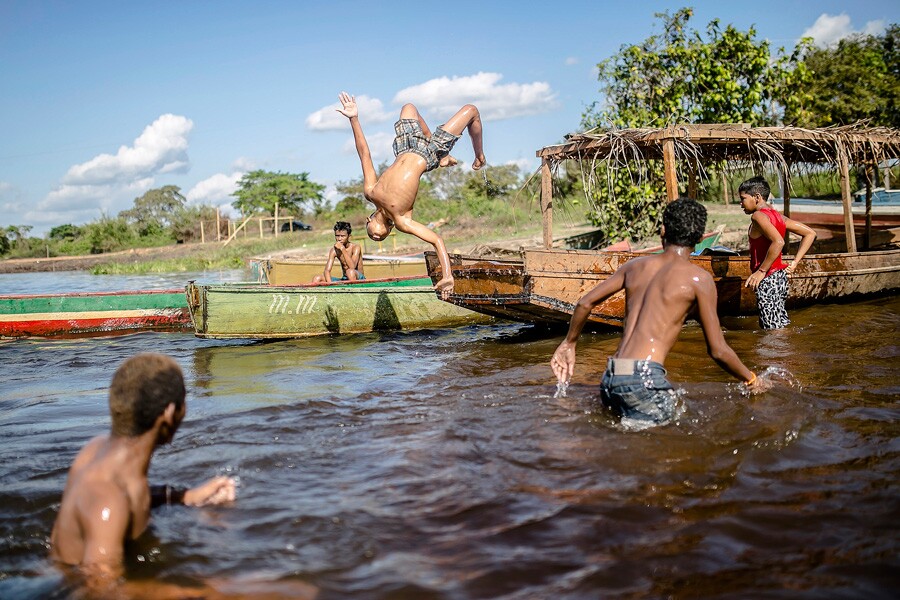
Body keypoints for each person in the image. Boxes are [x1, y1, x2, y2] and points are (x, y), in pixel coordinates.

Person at [551, 198, 768, 425]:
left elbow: (585, 303)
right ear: (699, 238)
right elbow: (718, 350)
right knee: (662, 450)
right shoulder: (699, 279)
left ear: (663, 230)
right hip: (644, 378)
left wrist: (569, 343)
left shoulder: (633, 266)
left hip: (612, 374)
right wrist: (752, 379)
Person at [50, 353, 236, 593]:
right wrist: (192, 592)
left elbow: (129, 497)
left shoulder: (95, 450)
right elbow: (101, 590)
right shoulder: (109, 505)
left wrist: (184, 497)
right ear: (169, 414)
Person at [336, 91, 486, 300]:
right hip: (429, 153)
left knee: (408, 107)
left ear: (369, 220)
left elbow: (364, 153)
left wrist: (354, 119)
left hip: (406, 146)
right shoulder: (402, 221)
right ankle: (478, 157)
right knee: (471, 110)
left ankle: (442, 154)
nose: (376, 236)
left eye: (371, 234)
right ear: (389, 229)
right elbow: (437, 240)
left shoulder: (371, 192)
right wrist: (447, 275)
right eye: (380, 237)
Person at [738, 176, 817, 329]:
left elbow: (779, 242)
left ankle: (781, 352)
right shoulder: (777, 216)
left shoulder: (758, 216)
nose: (741, 204)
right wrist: (794, 263)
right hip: (779, 278)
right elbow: (810, 234)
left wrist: (761, 271)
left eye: (743, 199)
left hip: (768, 278)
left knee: (772, 329)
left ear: (757, 197)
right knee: (778, 323)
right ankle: (786, 352)